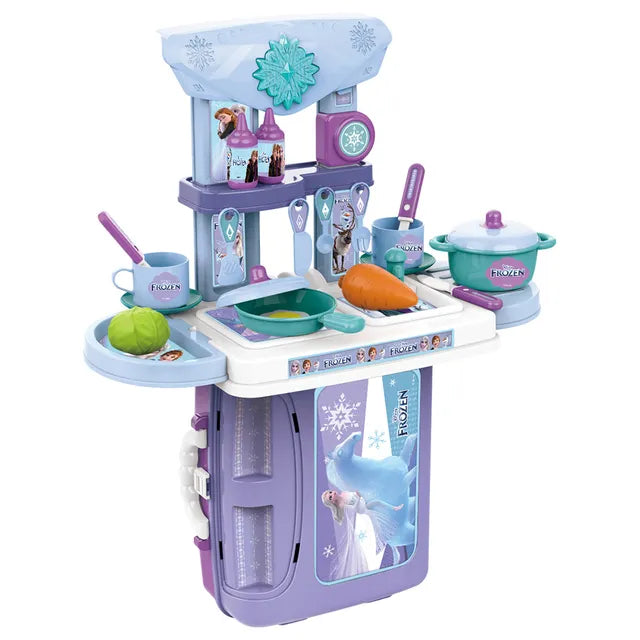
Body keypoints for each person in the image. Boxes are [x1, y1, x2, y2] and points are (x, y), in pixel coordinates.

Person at [321, 489, 404, 580]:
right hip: (363, 519)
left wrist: (358, 495)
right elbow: (353, 512)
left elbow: (357, 497)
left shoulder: (345, 493)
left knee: (377, 503)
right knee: (374, 538)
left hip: (366, 511)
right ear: (332, 501)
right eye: (330, 497)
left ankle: (394, 508)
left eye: (330, 492)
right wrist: (357, 497)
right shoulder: (341, 506)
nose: (332, 494)